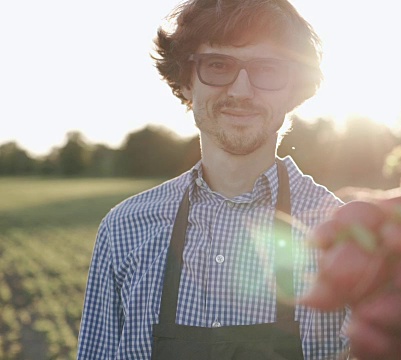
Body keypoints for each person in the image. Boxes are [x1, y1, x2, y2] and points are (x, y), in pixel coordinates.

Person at [76, 0, 351, 358]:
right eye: (218, 65)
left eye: (267, 69)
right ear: (187, 82)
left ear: (293, 90)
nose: (240, 90)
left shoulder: (340, 236)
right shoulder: (124, 230)